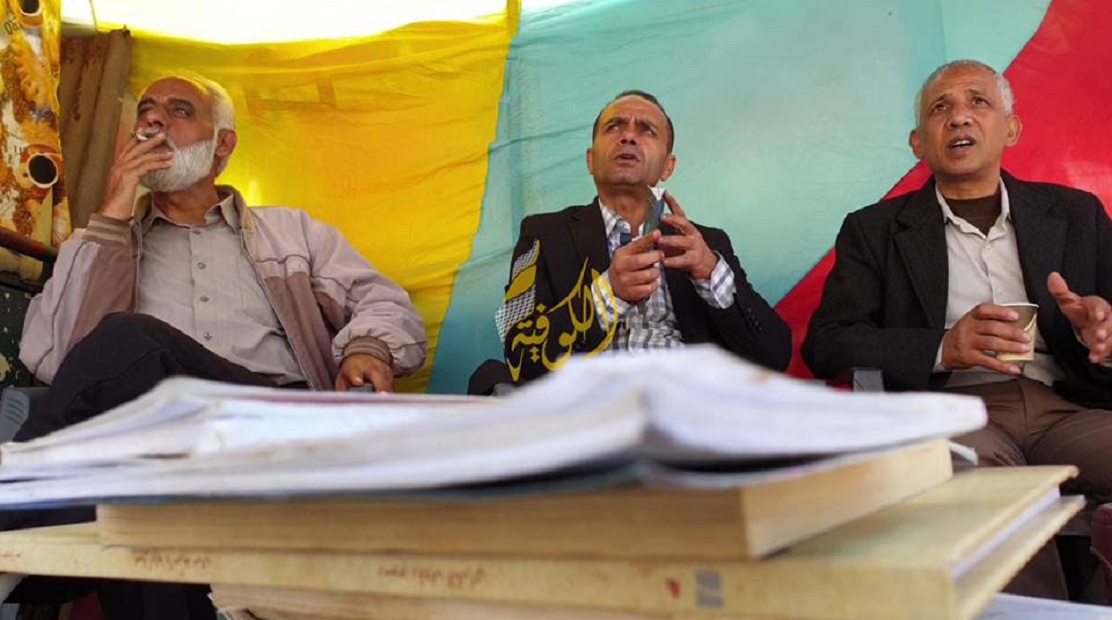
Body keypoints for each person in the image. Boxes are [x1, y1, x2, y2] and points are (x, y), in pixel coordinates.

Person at [3, 74, 427, 616]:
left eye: (179, 110)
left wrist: (367, 348)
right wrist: (112, 213)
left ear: (223, 145)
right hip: (161, 443)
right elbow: (52, 359)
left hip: (274, 422)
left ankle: (15, 528)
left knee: (129, 336)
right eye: (146, 110)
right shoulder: (104, 240)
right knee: (136, 495)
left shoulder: (289, 233)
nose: (154, 120)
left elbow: (384, 300)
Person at [803, 59, 1112, 598]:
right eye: (940, 108)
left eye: (978, 102)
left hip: (1070, 408)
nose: (959, 118)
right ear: (918, 143)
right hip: (956, 413)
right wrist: (943, 347)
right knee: (976, 484)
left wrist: (1104, 335)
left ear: (1010, 129)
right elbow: (828, 343)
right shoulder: (873, 230)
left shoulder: (1077, 214)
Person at [497, 90, 790, 383]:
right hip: (589, 400)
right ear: (591, 160)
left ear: (667, 166)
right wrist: (608, 293)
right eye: (614, 127)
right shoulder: (543, 234)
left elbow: (774, 357)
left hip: (688, 398)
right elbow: (519, 354)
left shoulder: (708, 244)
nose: (628, 137)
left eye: (646, 130)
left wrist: (709, 273)